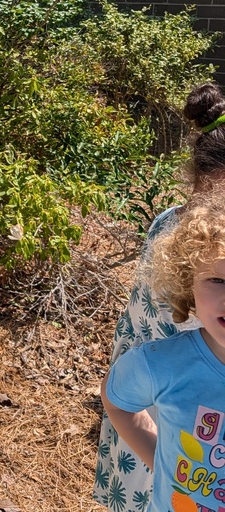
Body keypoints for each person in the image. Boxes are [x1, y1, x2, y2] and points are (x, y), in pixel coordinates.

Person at [93, 82, 222, 510]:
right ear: (201, 184)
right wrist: (159, 454)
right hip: (158, 428)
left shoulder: (171, 227)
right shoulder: (174, 237)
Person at [101, 193, 225, 512]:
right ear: (188, 283)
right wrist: (159, 460)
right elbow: (117, 401)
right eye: (218, 279)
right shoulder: (162, 364)